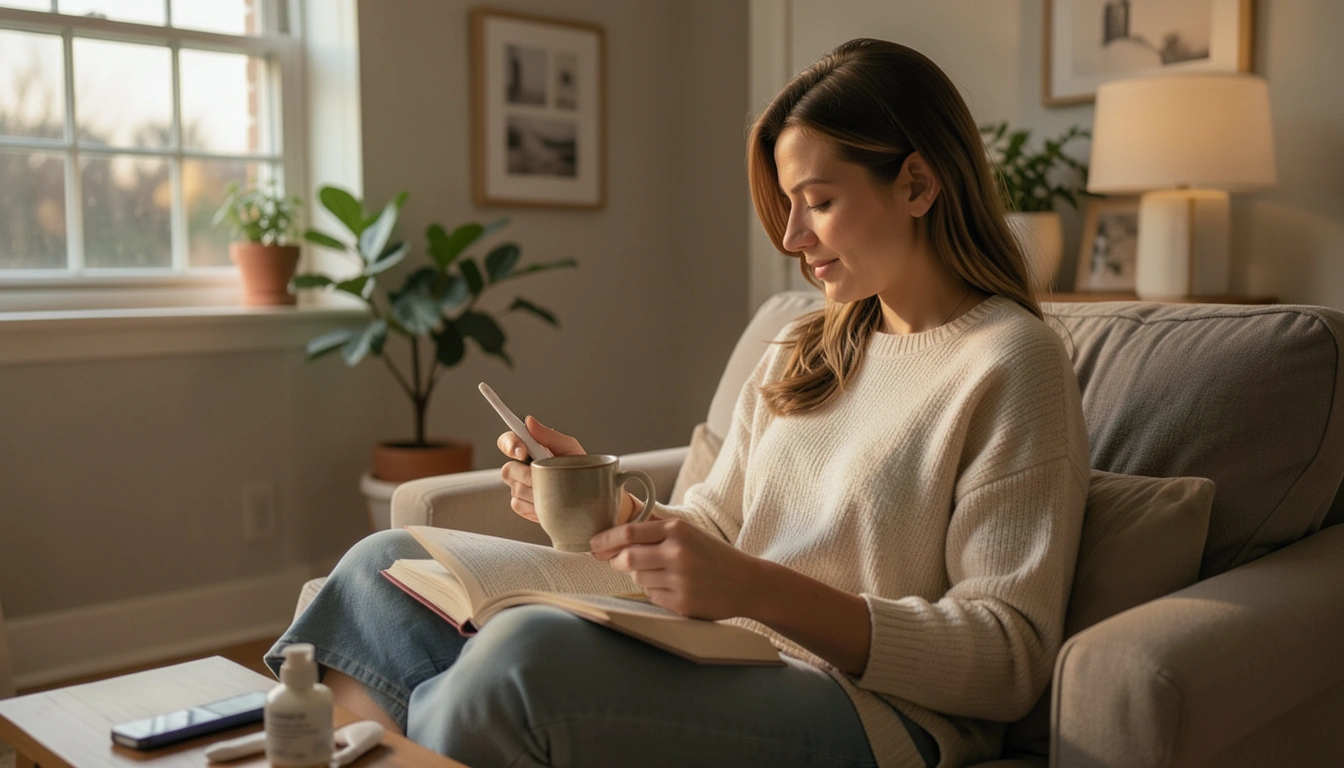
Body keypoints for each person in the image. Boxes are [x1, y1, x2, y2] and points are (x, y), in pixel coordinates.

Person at [266, 38, 1089, 768]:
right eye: (788, 205)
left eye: (820, 201)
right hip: (721, 645)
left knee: (521, 661)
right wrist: (599, 504)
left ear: (917, 182)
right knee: (381, 570)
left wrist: (756, 591)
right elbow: (715, 530)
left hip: (871, 709)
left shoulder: (1010, 361)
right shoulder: (809, 342)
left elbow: (1008, 656)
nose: (793, 239)